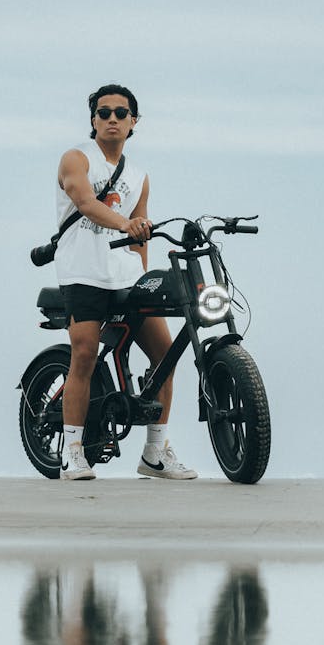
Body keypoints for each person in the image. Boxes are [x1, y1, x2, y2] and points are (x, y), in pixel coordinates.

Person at [54, 83, 197, 481]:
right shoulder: (75, 159)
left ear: (134, 121)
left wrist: (145, 273)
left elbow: (142, 236)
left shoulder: (139, 176)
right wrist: (125, 223)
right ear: (93, 121)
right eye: (104, 113)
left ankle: (155, 452)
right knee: (83, 354)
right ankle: (74, 451)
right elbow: (85, 202)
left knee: (165, 356)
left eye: (121, 113)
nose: (112, 119)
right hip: (83, 272)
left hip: (125, 277)